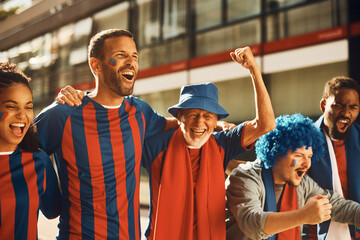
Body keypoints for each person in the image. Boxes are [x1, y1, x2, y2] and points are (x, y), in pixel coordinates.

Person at [34, 29, 180, 239]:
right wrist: (51, 202)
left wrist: (215, 124)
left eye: (135, 56)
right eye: (121, 55)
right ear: (96, 65)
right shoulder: (63, 113)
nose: (131, 62)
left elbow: (174, 125)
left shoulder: (140, 111)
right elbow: (20, 150)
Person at [141, 46, 275, 240]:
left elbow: (266, 124)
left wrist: (253, 69)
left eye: (208, 116)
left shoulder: (222, 144)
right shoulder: (157, 146)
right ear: (180, 116)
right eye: (193, 114)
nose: (199, 122)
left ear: (215, 120)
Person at [226, 113, 360, 240]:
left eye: (309, 156)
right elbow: (253, 225)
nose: (307, 164)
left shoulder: (303, 184)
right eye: (299, 156)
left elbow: (337, 205)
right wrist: (302, 216)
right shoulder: (245, 177)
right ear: (277, 152)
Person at [0, 62, 61, 239]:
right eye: (11, 106)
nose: (22, 115)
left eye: (28, 107)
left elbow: (53, 210)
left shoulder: (38, 160)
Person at [306, 76, 360, 239]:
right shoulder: (305, 142)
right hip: (316, 232)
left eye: (353, 107)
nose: (346, 113)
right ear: (324, 105)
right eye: (339, 105)